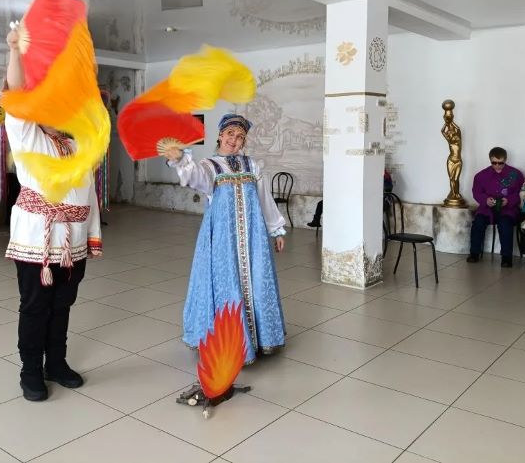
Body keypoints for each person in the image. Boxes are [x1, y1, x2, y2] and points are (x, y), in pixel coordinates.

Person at [4, 28, 103, 402]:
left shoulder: (77, 143)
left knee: (63, 304)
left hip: (72, 243)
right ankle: (30, 372)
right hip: (37, 242)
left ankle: (55, 364)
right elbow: (15, 97)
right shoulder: (28, 136)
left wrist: (92, 237)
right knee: (35, 306)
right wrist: (16, 51)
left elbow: (89, 193)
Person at [164, 113, 286, 365]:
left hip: (254, 238)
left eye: (240, 136)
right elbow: (194, 176)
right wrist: (180, 160)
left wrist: (276, 229)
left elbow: (265, 199)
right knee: (226, 284)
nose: (234, 139)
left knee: (257, 280)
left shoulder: (253, 166)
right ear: (220, 135)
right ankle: (231, 342)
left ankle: (260, 338)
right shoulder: (211, 166)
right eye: (230, 133)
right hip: (222, 239)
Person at [467, 147, 523, 267]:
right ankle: (474, 253)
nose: (497, 165)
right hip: (487, 209)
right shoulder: (481, 176)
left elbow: (521, 193)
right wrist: (485, 200)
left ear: (505, 160)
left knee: (505, 224)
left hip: (508, 209)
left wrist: (508, 200)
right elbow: (476, 192)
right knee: (478, 223)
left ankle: (506, 257)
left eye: (500, 163)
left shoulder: (516, 174)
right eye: (494, 163)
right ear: (490, 160)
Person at [307, 169, 393, 228]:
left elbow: (385, 190)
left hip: (381, 202)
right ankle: (317, 221)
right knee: (322, 203)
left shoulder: (384, 174)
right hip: (361, 199)